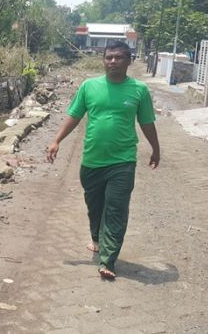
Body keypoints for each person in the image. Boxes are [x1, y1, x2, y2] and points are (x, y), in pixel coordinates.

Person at [46, 41, 160, 280]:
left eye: (119, 57)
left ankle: (108, 261)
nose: (113, 62)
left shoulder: (139, 90)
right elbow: (74, 116)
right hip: (92, 161)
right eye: (109, 57)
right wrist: (57, 140)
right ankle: (97, 240)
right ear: (103, 60)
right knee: (95, 207)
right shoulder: (89, 86)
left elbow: (147, 122)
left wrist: (155, 149)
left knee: (116, 210)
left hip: (123, 161)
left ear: (129, 60)